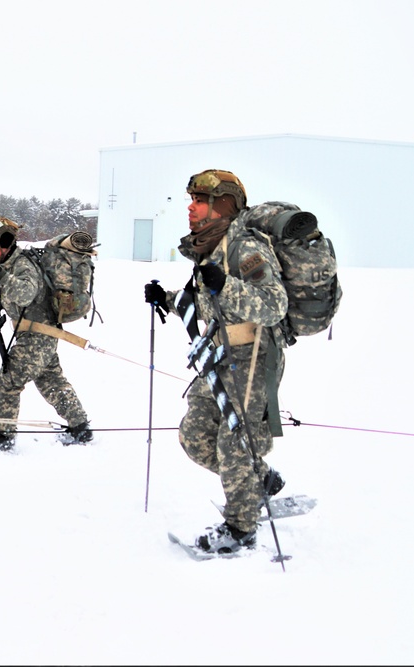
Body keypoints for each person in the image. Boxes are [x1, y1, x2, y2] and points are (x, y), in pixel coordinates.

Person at [144, 169, 288, 555]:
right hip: (221, 357)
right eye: (191, 199)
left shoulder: (246, 247)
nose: (189, 207)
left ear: (222, 205)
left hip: (254, 358)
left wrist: (227, 284)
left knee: (235, 445)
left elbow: (274, 305)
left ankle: (241, 530)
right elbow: (206, 301)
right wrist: (169, 298)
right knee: (194, 436)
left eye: (199, 201)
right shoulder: (211, 247)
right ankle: (261, 480)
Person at [0, 217, 92, 450]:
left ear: (5, 243)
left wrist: (0, 274)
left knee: (7, 384)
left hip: (36, 338)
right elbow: (5, 298)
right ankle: (80, 427)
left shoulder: (22, 265)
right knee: (52, 382)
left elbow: (24, 294)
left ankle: (3, 437)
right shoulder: (14, 266)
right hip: (43, 337)